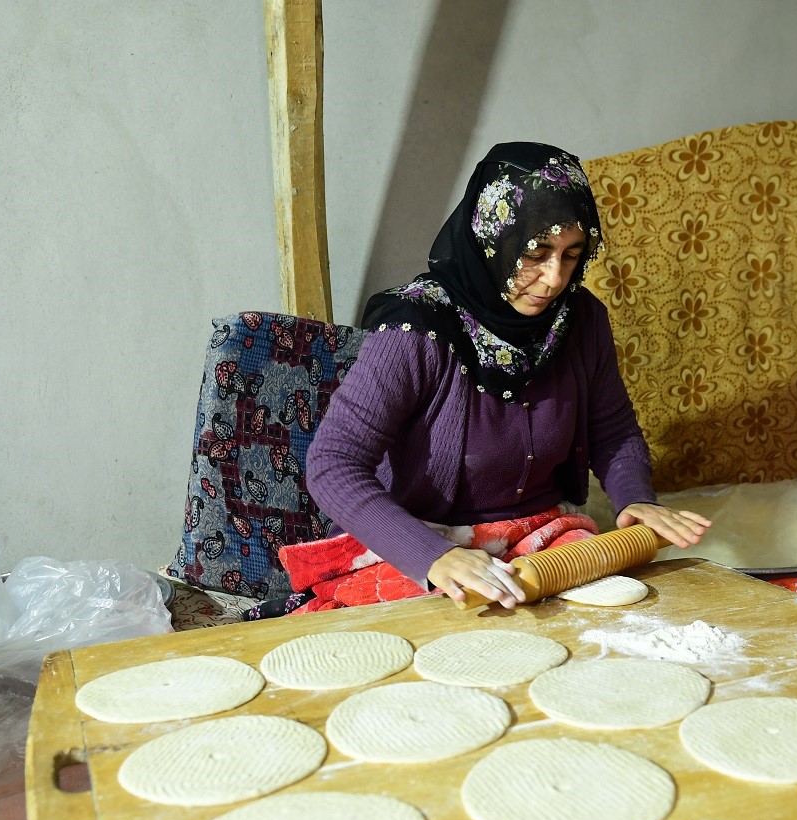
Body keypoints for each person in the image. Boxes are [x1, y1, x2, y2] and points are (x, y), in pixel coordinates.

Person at [303, 141, 709, 611]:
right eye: (535, 253)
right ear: (492, 240)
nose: (555, 278)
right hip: (418, 540)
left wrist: (635, 497)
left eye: (571, 255)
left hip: (539, 536)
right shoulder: (416, 331)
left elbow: (612, 429)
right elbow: (332, 464)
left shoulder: (581, 321)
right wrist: (436, 556)